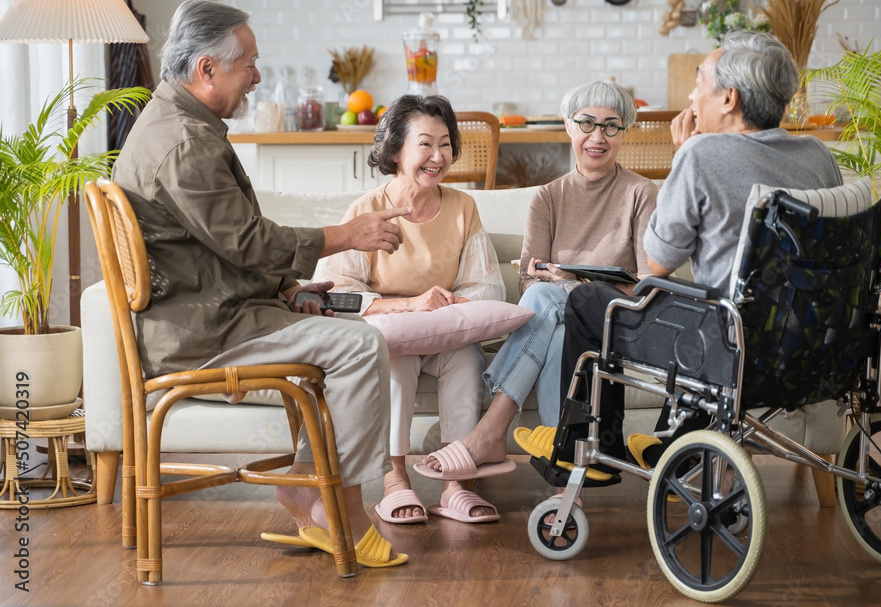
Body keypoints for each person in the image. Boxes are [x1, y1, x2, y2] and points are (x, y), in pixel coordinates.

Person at [112, 0, 409, 567]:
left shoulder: (175, 125)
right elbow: (248, 241)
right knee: (363, 343)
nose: (257, 74)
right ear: (208, 69)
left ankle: (306, 487)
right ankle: (340, 509)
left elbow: (220, 248)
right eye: (248, 62)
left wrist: (287, 290)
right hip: (206, 334)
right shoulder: (186, 144)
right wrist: (347, 235)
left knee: (342, 333)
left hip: (209, 314)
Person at [517, 30, 844, 477]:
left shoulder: (702, 154)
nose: (691, 96)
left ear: (728, 98)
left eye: (699, 82)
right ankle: (664, 441)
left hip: (726, 340)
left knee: (588, 300)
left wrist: (685, 155)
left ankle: (590, 445)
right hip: (807, 343)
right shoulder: (817, 154)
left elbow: (656, 264)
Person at [414, 81, 659, 484]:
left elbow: (647, 288)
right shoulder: (547, 197)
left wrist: (575, 280)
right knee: (558, 329)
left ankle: (493, 429)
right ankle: (565, 473)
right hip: (562, 319)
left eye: (611, 126)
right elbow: (530, 284)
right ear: (568, 126)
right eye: (586, 123)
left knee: (551, 295)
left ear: (624, 131)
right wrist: (556, 283)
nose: (597, 137)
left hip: (615, 320)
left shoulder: (640, 193)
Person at [313, 94, 508, 524]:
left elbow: (486, 283)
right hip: (393, 334)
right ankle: (395, 481)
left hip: (445, 334)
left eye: (445, 144)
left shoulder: (463, 207)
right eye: (425, 144)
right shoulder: (367, 211)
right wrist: (406, 306)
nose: (438, 156)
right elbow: (335, 294)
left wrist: (452, 303)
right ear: (396, 151)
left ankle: (458, 485)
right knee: (394, 361)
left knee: (465, 356)